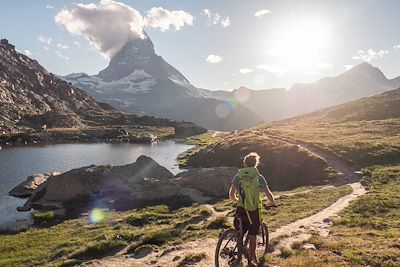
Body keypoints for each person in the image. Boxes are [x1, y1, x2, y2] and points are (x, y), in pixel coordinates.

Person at [229, 152, 276, 266]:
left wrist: (238, 201)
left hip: (241, 209)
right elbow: (268, 193)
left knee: (240, 233)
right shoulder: (259, 177)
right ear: (256, 165)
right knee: (253, 238)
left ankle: (239, 258)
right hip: (254, 211)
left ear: (244, 164)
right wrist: (273, 203)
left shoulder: (238, 176)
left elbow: (231, 194)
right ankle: (250, 262)